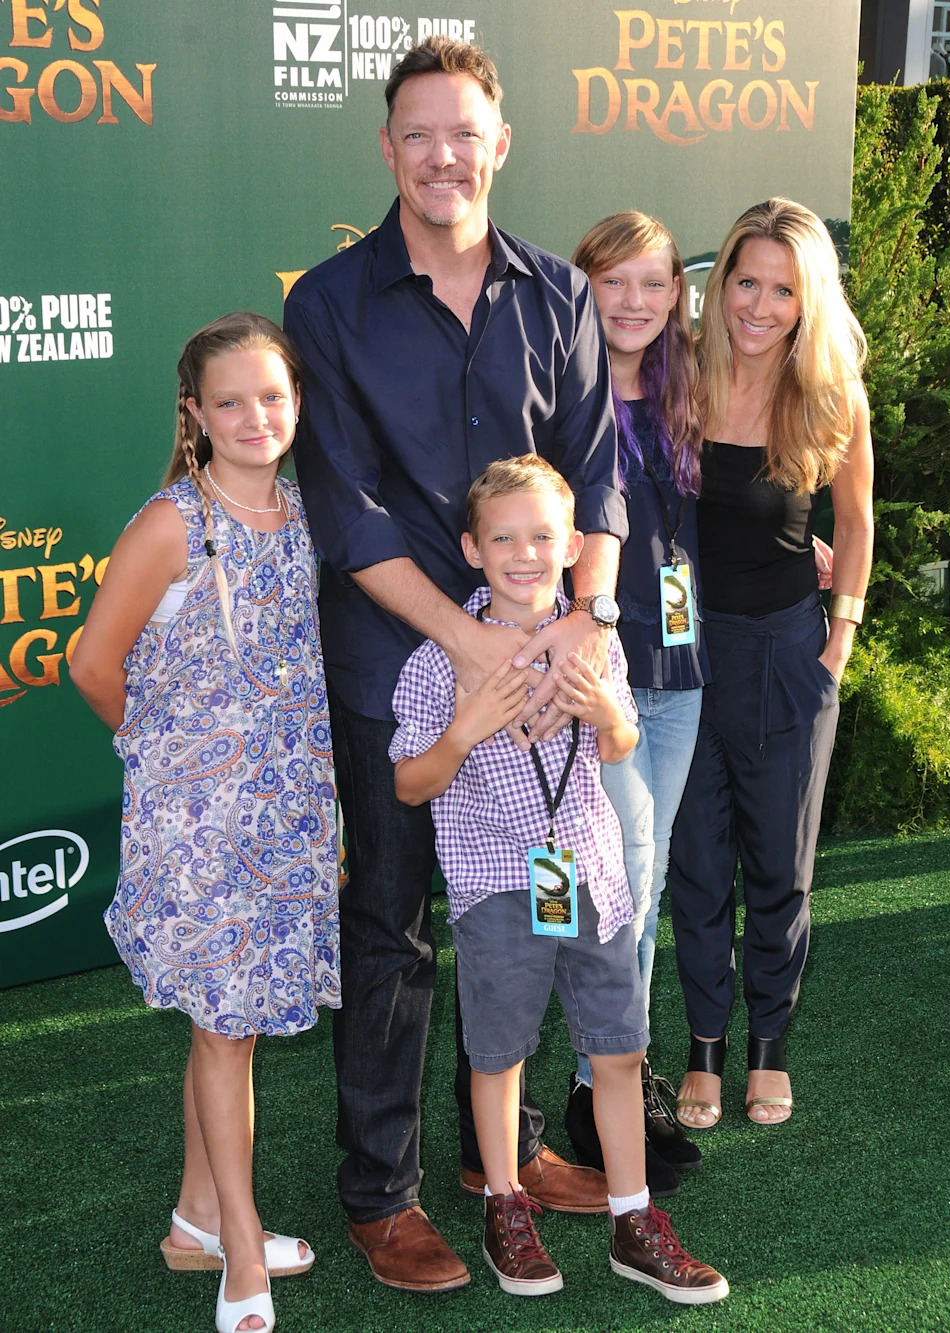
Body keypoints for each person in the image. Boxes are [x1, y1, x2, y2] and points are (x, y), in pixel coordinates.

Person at [284, 37, 625, 1291]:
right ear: (388, 148)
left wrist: (582, 622)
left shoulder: (558, 294)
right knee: (393, 922)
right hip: (401, 666)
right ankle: (383, 1193)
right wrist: (477, 640)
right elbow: (350, 506)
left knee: (529, 905)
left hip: (540, 674)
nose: (443, 154)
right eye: (418, 132)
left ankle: (510, 1155)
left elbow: (597, 471)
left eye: (464, 132)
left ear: (500, 143)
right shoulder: (328, 301)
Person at [390, 454, 729, 1303]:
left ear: (575, 545)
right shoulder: (441, 660)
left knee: (619, 1048)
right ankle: (505, 1201)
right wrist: (466, 729)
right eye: (503, 537)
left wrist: (610, 713)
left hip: (592, 874)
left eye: (543, 535)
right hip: (497, 881)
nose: (524, 552)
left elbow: (619, 747)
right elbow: (407, 782)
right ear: (472, 547)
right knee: (499, 1053)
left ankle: (632, 1217)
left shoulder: (590, 639)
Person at [70, 313, 340, 1333]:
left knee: (227, 1031)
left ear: (298, 403)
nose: (254, 416)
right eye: (229, 401)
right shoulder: (174, 524)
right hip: (200, 828)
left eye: (272, 396)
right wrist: (172, 757)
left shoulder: (306, 516)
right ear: (194, 414)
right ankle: (240, 1250)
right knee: (226, 1036)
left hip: (291, 814)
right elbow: (94, 667)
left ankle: (195, 1222)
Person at [668, 198, 873, 1129]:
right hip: (684, 648)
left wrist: (839, 640)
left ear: (807, 299)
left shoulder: (830, 393)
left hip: (789, 649)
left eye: (781, 288)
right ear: (721, 287)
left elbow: (857, 523)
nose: (757, 304)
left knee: (781, 865)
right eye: (744, 280)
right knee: (699, 857)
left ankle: (768, 1047)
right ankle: (705, 1049)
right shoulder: (679, 376)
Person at [562, 213, 707, 1191]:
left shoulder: (690, 389)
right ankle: (602, 1081)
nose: (635, 302)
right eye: (615, 282)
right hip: (599, 679)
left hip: (682, 669)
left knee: (640, 891)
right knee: (625, 882)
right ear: (584, 288)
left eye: (653, 283)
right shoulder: (560, 397)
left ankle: (613, 1078)